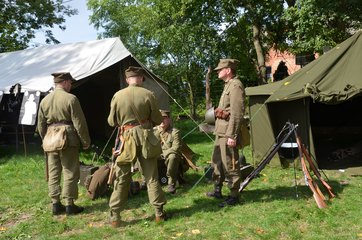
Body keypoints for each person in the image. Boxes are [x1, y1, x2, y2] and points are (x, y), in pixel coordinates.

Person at [107, 66, 167, 228]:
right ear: (140, 78)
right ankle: (159, 214)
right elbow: (157, 118)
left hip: (126, 139)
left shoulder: (117, 96)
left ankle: (115, 217)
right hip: (146, 137)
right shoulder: (148, 94)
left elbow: (112, 122)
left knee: (122, 179)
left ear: (127, 80)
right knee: (152, 177)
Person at [37, 72, 91, 215]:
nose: (71, 85)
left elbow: (40, 124)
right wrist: (85, 141)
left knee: (53, 172)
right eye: (70, 83)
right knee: (70, 170)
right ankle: (69, 204)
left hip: (50, 138)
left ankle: (55, 203)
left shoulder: (45, 100)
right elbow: (79, 123)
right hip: (68, 138)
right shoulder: (71, 99)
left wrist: (45, 139)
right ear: (66, 82)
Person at [206, 59, 245, 207]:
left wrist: (232, 135)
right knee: (217, 161)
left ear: (228, 70)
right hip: (220, 131)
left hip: (228, 132)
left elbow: (237, 113)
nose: (217, 71)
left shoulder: (235, 85)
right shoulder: (228, 85)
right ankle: (217, 189)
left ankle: (234, 195)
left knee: (230, 163)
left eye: (220, 69)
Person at [154, 110, 183, 194]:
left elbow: (175, 148)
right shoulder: (154, 131)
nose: (162, 121)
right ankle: (147, 181)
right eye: (160, 118)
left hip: (169, 158)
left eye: (164, 118)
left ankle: (171, 183)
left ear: (169, 120)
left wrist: (162, 155)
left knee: (172, 156)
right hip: (156, 157)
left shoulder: (175, 132)